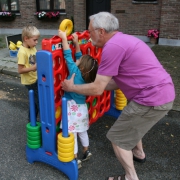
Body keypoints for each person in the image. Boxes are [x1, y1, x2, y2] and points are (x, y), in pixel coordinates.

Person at [61, 12, 175, 180]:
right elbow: (116, 82)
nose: (88, 33)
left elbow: (98, 89)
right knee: (134, 124)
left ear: (101, 31)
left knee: (117, 139)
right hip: (161, 93)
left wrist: (73, 87)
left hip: (151, 99)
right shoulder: (124, 40)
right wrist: (94, 85)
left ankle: (130, 177)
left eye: (90, 30)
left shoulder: (112, 48)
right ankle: (138, 152)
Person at [58, 30, 98, 169]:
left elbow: (68, 55)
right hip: (82, 109)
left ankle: (75, 158)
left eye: (80, 60)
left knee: (72, 133)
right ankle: (86, 151)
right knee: (82, 131)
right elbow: (79, 57)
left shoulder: (74, 71)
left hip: (72, 108)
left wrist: (64, 38)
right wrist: (76, 43)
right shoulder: (88, 77)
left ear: (81, 66)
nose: (78, 58)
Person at [17, 26, 40, 121]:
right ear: (26, 39)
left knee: (34, 102)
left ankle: (31, 120)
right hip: (30, 82)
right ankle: (45, 122)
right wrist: (33, 68)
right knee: (39, 102)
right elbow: (20, 70)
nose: (36, 42)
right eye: (35, 40)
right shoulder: (22, 52)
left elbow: (33, 60)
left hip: (35, 78)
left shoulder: (32, 47)